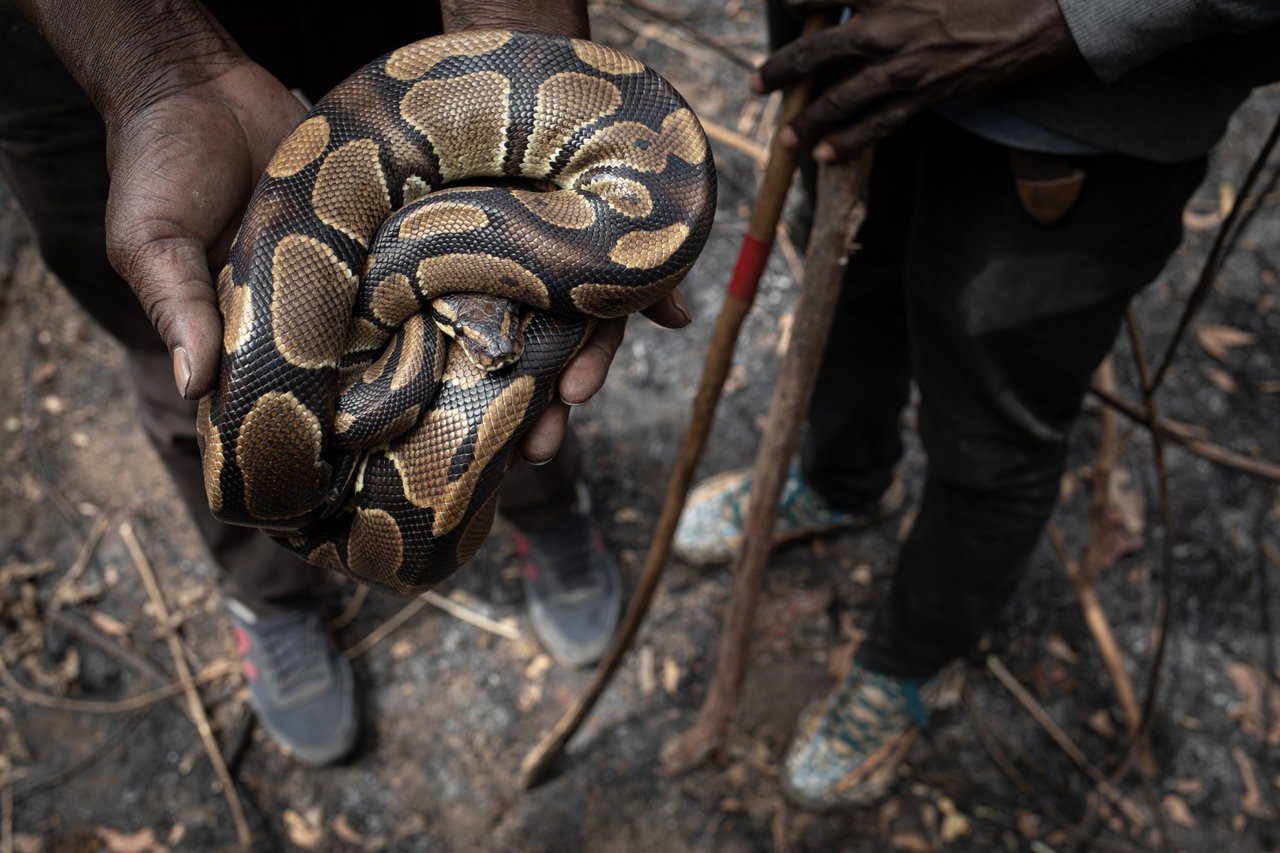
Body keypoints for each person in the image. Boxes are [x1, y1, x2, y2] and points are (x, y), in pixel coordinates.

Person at [2, 0, 691, 766]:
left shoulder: (441, 299)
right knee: (184, 346)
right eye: (465, 322)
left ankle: (548, 508)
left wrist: (517, 37)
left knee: (526, 402)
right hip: (78, 34)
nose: (485, 346)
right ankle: (272, 598)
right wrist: (155, 65)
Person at [671, 0, 1280, 811]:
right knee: (851, 293)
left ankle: (914, 656)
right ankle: (841, 481)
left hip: (1071, 113)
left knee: (991, 425)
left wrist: (1076, 19)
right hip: (848, 55)